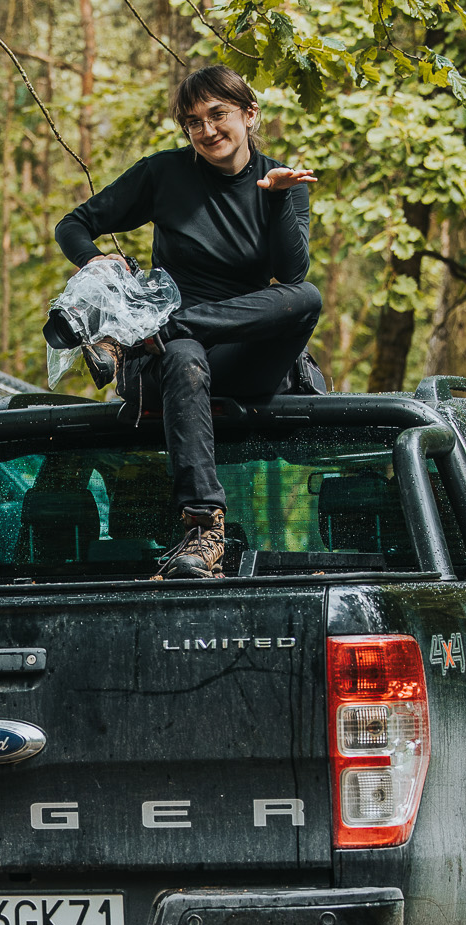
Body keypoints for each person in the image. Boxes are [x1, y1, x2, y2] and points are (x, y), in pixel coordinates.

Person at [50, 64, 323, 579]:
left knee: (306, 297)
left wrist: (278, 198)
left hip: (241, 356)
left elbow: (291, 275)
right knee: (183, 354)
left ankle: (158, 333)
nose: (207, 130)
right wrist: (94, 262)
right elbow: (74, 224)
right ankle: (202, 530)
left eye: (218, 115)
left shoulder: (281, 180)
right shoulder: (164, 173)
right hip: (172, 367)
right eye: (194, 122)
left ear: (249, 114)